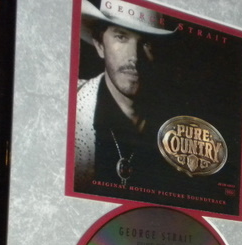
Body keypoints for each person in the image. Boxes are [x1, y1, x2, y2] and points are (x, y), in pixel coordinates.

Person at [74, 0, 173, 192]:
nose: (134, 57)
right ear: (100, 45)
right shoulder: (68, 107)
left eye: (146, 43)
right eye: (121, 37)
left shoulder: (176, 121)